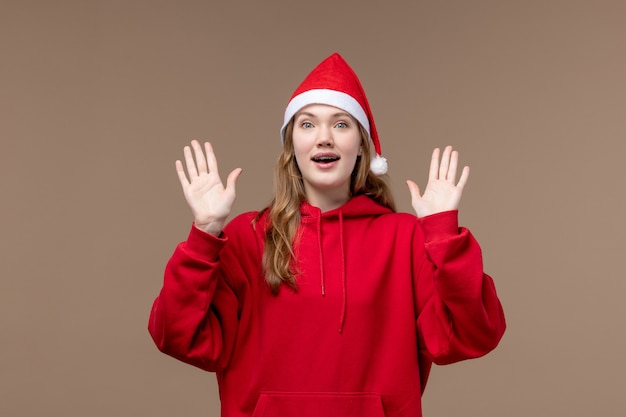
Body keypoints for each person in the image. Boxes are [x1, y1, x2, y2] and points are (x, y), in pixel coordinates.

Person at [148, 52, 506, 417]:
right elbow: (178, 337)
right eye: (307, 125)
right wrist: (204, 234)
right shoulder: (247, 237)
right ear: (291, 147)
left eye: (340, 125)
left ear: (362, 144)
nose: (323, 139)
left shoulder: (406, 239)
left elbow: (473, 335)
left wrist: (443, 234)